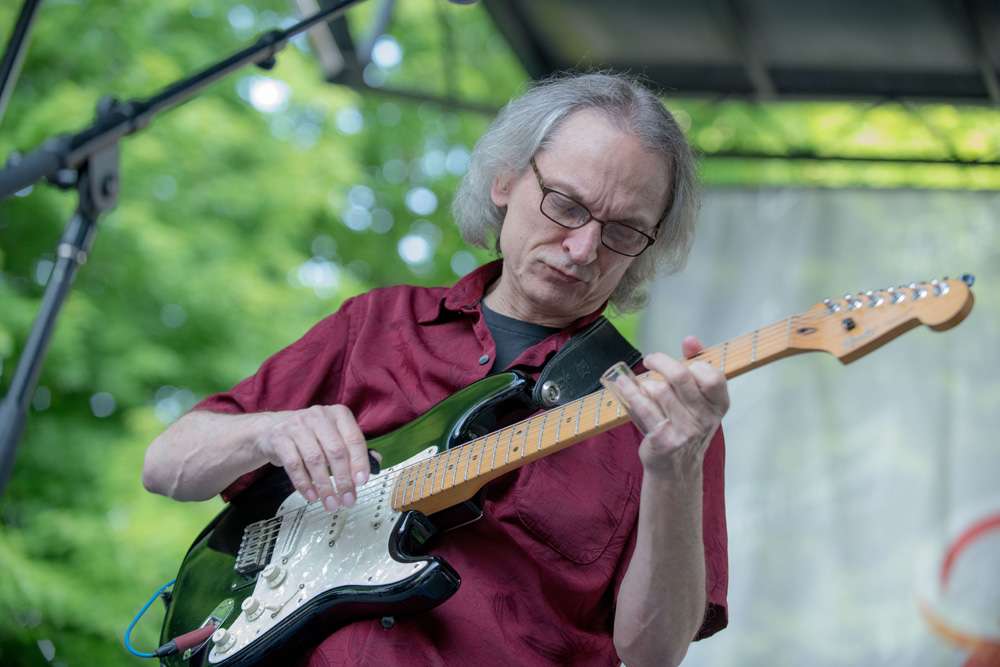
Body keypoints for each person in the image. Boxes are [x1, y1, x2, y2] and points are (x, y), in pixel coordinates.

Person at [142, 72, 730, 667]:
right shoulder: (377, 323)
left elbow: (654, 652)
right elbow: (166, 466)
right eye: (566, 205)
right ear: (505, 179)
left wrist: (675, 469)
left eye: (623, 231)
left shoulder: (668, 417)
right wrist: (269, 431)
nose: (584, 249)